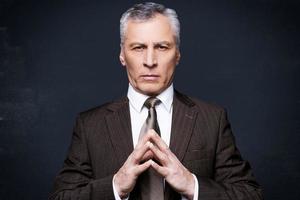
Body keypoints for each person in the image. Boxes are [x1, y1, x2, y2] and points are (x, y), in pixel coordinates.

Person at [49, 2, 263, 200]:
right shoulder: (89, 125)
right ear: (122, 55)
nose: (150, 61)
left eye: (162, 47)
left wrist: (192, 185)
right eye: (138, 48)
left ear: (177, 54)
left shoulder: (213, 119)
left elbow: (250, 194)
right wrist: (115, 186)